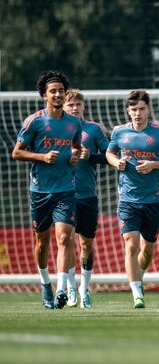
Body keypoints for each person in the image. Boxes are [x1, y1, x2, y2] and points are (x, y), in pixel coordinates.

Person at [12, 70, 82, 309]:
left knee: (65, 238)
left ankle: (61, 289)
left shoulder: (74, 123)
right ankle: (45, 284)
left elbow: (77, 147)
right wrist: (41, 156)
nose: (58, 95)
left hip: (66, 189)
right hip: (40, 191)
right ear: (44, 95)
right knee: (42, 242)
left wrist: (75, 156)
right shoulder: (34, 121)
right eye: (53, 91)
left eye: (61, 91)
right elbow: (17, 152)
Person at [106, 89, 159, 308]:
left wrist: (154, 164)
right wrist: (115, 162)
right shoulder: (119, 132)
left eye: (141, 109)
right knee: (131, 245)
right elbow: (110, 153)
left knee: (147, 250)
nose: (137, 113)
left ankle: (139, 273)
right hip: (127, 199)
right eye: (133, 109)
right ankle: (137, 293)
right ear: (128, 111)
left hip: (153, 200)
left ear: (149, 109)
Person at [64, 89, 110, 308]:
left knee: (86, 244)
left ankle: (85, 288)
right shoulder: (57, 129)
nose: (74, 108)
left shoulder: (93, 129)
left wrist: (91, 156)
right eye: (70, 104)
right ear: (63, 106)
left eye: (78, 104)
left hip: (88, 196)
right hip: (62, 194)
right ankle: (70, 288)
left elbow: (110, 156)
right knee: (66, 240)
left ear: (83, 106)